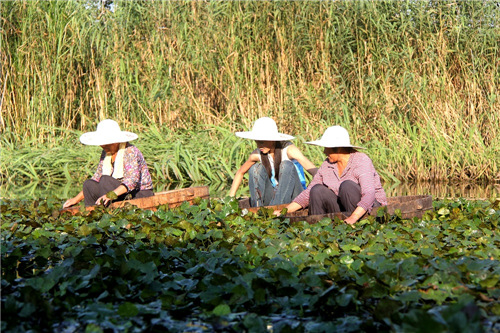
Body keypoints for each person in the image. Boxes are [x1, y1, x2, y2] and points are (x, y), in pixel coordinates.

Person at [277, 125, 387, 224]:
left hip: (371, 210)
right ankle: (317, 230)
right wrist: (284, 211)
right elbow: (308, 193)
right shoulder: (327, 164)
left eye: (326, 148)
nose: (324, 152)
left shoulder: (361, 160)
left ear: (338, 148)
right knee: (316, 190)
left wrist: (353, 217)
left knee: (347, 186)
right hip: (344, 210)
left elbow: (369, 194)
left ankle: (356, 227)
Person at [63, 119, 154, 208]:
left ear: (116, 141)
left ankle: (108, 211)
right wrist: (75, 199)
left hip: (139, 193)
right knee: (88, 184)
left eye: (107, 143)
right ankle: (93, 214)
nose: (103, 146)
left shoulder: (130, 151)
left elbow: (132, 181)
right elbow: (97, 177)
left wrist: (110, 195)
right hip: (115, 192)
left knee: (105, 180)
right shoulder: (106, 153)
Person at [229, 117, 318, 207]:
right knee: (255, 169)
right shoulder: (257, 154)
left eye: (262, 142)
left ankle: (276, 210)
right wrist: (231, 198)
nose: (259, 146)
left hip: (295, 196)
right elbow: (240, 172)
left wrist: (313, 192)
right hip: (274, 195)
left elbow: (314, 171)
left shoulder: (289, 150)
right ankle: (258, 209)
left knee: (286, 165)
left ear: (272, 139)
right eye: (257, 142)